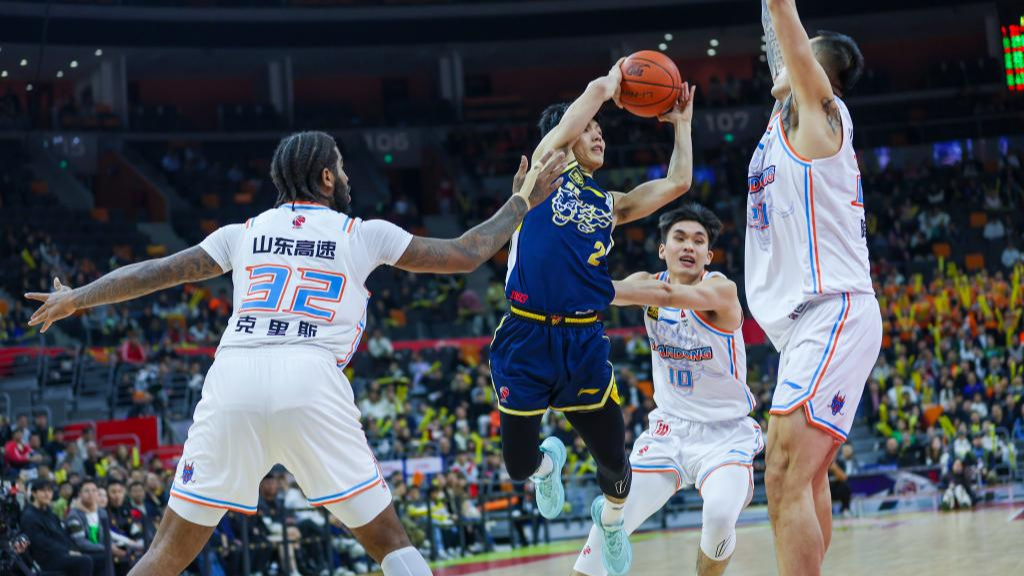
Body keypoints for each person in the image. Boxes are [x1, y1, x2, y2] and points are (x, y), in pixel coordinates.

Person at [25, 130, 566, 576]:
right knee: (388, 540)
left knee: (165, 552)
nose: (348, 176)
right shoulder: (362, 233)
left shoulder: (244, 232)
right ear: (327, 177)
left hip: (233, 375)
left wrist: (77, 297)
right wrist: (520, 201)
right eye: (343, 168)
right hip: (309, 377)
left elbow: (152, 273)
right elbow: (468, 252)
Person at [489, 58, 695, 576]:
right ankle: (547, 463)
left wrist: (683, 126)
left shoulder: (610, 204)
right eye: (591, 129)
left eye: (602, 131)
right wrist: (608, 85)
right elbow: (570, 123)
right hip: (526, 334)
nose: (599, 136)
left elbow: (677, 183)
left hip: (582, 340)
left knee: (616, 466)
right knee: (517, 465)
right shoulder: (543, 171)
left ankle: (610, 521)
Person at [752, 2, 882, 575]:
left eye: (795, 54)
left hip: (833, 310)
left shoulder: (818, 114)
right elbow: (777, 35)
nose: (777, 57)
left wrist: (779, 12)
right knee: (804, 477)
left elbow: (783, 16)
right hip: (809, 321)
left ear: (813, 72)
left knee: (781, 472)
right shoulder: (785, 117)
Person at [576, 204, 762, 576]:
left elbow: (664, 296)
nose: (688, 246)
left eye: (698, 241)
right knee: (605, 527)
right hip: (669, 431)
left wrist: (596, 287)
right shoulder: (648, 282)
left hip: (724, 436)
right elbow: (623, 292)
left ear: (709, 255)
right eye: (679, 238)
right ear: (663, 249)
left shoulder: (720, 290)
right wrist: (570, 283)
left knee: (721, 513)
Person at [20, 479, 94, 576]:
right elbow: (41, 543)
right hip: (46, 559)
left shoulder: (50, 513)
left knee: (101, 558)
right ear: (34, 493)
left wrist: (74, 550)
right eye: (43, 491)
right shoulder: (29, 516)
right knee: (85, 561)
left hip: (61, 554)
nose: (47, 494)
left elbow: (63, 535)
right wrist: (67, 551)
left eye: (49, 491)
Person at [65, 479, 113, 576]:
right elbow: (81, 543)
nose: (91, 494)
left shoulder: (102, 512)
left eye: (94, 490)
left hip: (102, 550)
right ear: (79, 494)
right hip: (84, 553)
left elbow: (107, 535)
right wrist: (107, 548)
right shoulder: (74, 515)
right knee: (106, 558)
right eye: (86, 491)